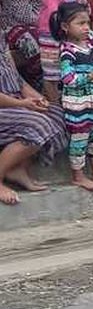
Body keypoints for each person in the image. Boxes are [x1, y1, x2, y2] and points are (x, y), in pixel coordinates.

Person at [54, 2, 93, 191]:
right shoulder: (67, 51)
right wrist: (92, 76)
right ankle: (78, 176)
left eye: (87, 23)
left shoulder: (90, 46)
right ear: (65, 27)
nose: (86, 28)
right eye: (80, 23)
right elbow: (68, 79)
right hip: (77, 104)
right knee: (80, 138)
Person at [0, 44, 65, 205]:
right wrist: (22, 104)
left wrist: (39, 100)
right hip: (6, 107)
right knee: (39, 125)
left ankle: (17, 168)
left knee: (58, 116)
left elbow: (18, 80)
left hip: (15, 103)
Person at [1, 0, 44, 90]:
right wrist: (46, 21)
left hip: (59, 22)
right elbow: (17, 9)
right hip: (19, 25)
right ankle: (40, 84)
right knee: (33, 42)